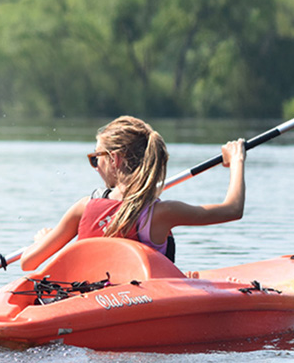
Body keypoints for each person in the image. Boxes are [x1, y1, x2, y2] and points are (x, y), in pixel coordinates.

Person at [20, 116, 246, 270]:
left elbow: (28, 263)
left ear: (115, 159)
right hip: (136, 306)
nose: (95, 166)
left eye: (95, 158)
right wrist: (236, 160)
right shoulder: (162, 213)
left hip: (86, 298)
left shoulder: (82, 207)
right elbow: (233, 209)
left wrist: (41, 242)